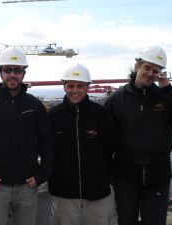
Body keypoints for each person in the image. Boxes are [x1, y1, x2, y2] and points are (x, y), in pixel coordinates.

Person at [0, 46, 54, 225]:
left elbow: (47, 141)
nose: (12, 75)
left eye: (17, 70)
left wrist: (42, 174)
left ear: (23, 73)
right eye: (8, 70)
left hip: (27, 186)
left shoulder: (34, 105)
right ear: (0, 72)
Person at [104, 46, 172, 225]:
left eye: (156, 70)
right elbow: (106, 140)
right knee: (126, 221)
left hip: (157, 176)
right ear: (137, 66)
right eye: (147, 68)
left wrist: (168, 89)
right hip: (125, 177)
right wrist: (108, 172)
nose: (150, 73)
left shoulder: (165, 97)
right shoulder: (116, 99)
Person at [48, 63, 117, 225]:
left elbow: (111, 149)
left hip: (98, 192)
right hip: (64, 192)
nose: (75, 90)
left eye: (80, 86)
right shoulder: (54, 116)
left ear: (87, 87)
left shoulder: (101, 115)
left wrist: (105, 176)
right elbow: (48, 151)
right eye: (70, 86)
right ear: (64, 86)